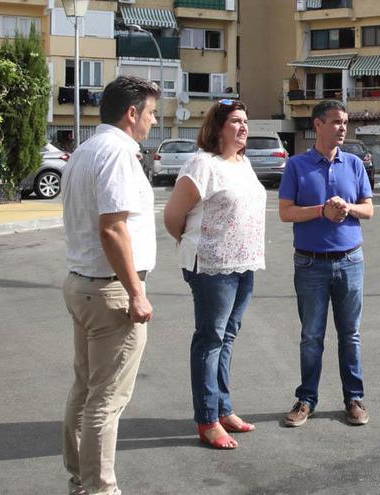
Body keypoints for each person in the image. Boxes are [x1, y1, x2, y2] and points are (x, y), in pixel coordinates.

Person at [60, 75, 160, 495]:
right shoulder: (118, 154)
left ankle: (80, 479)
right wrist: (136, 292)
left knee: (85, 388)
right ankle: (100, 487)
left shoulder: (84, 151)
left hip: (82, 283)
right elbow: (112, 228)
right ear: (131, 113)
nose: (153, 122)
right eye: (152, 113)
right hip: (111, 291)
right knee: (107, 399)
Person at [163, 99, 266, 449]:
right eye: (236, 121)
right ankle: (207, 419)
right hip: (210, 267)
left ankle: (223, 409)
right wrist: (191, 244)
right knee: (210, 340)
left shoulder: (244, 162)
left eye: (245, 121)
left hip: (244, 264)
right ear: (218, 127)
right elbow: (172, 216)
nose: (243, 127)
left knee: (227, 338)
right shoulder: (203, 164)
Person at [278, 99, 374, 427]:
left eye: (345, 122)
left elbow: (369, 208)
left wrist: (346, 207)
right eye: (335, 122)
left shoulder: (354, 164)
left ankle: (354, 399)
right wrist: (321, 210)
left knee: (350, 334)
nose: (342, 128)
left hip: (350, 261)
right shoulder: (296, 166)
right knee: (311, 336)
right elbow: (285, 212)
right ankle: (306, 399)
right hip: (310, 264)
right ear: (317, 125)